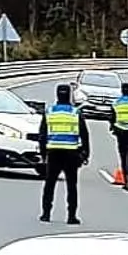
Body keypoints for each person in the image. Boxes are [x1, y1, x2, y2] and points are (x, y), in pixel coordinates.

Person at [38, 83, 90, 224]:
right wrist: (85, 153)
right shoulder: (75, 113)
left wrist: (43, 154)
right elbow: (84, 135)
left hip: (53, 152)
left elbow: (42, 135)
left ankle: (46, 214)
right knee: (71, 186)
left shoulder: (49, 112)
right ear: (69, 95)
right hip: (71, 154)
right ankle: (71, 216)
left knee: (49, 184)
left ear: (57, 95)